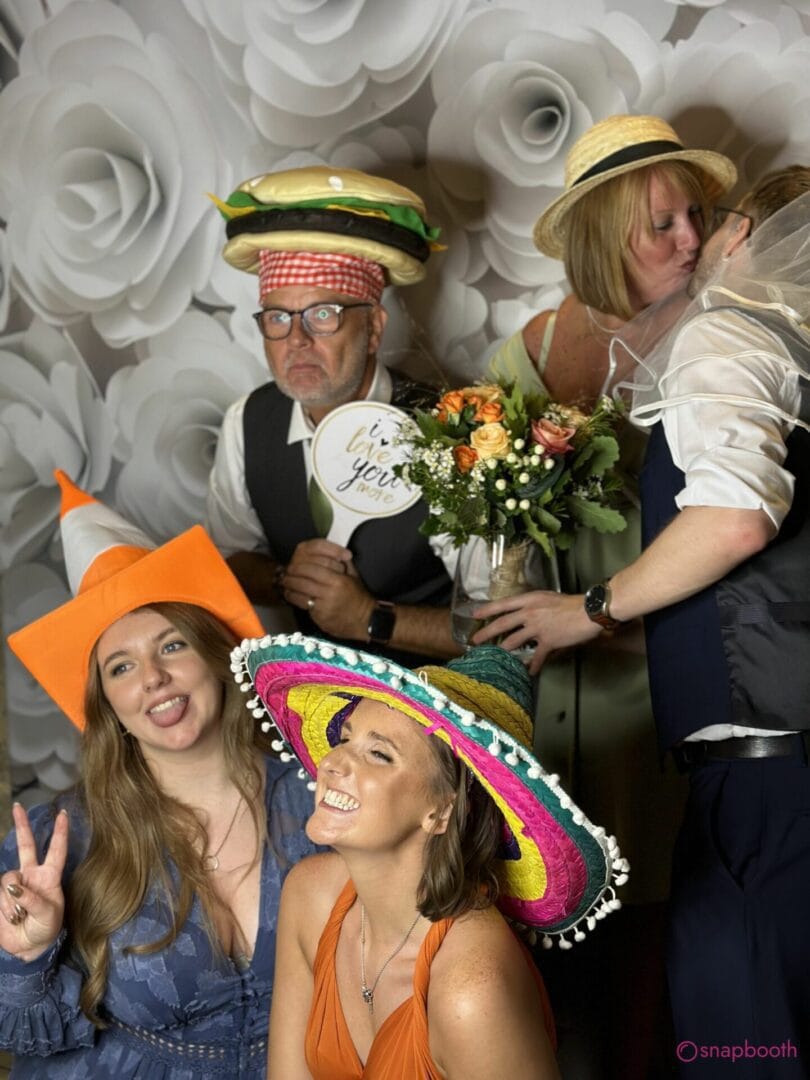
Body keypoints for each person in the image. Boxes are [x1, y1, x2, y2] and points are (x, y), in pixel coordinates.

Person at [477, 166, 810, 1075]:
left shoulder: (727, 337)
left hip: (767, 777)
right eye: (665, 224)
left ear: (748, 237)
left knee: (741, 1052)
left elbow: (738, 517)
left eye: (710, 221)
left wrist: (591, 607)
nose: (698, 242)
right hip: (767, 767)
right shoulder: (788, 346)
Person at [0, 470, 317, 1078]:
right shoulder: (61, 843)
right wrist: (30, 956)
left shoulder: (320, 799)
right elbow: (29, 1035)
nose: (151, 678)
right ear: (106, 707)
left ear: (216, 657)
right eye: (120, 667)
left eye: (171, 647)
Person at [229, 632, 629, 1079]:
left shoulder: (471, 987)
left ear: (441, 812)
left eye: (379, 754)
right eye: (345, 738)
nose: (333, 763)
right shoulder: (310, 894)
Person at [206, 165, 459, 668]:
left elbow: (503, 627)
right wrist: (282, 579)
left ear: (373, 328)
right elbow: (229, 564)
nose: (296, 341)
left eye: (323, 315)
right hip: (314, 712)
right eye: (278, 317)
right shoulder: (248, 423)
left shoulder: (452, 433)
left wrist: (373, 618)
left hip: (443, 714)